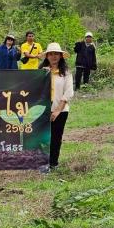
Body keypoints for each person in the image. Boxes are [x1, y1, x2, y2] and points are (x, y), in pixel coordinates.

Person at [39, 43, 75, 173]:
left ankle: (53, 163)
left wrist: (57, 110)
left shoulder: (66, 73)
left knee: (55, 137)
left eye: (56, 54)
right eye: (51, 54)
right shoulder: (41, 72)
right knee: (42, 138)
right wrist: (42, 75)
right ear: (47, 56)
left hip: (61, 111)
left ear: (60, 56)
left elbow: (68, 92)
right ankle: (42, 163)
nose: (53, 56)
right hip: (43, 110)